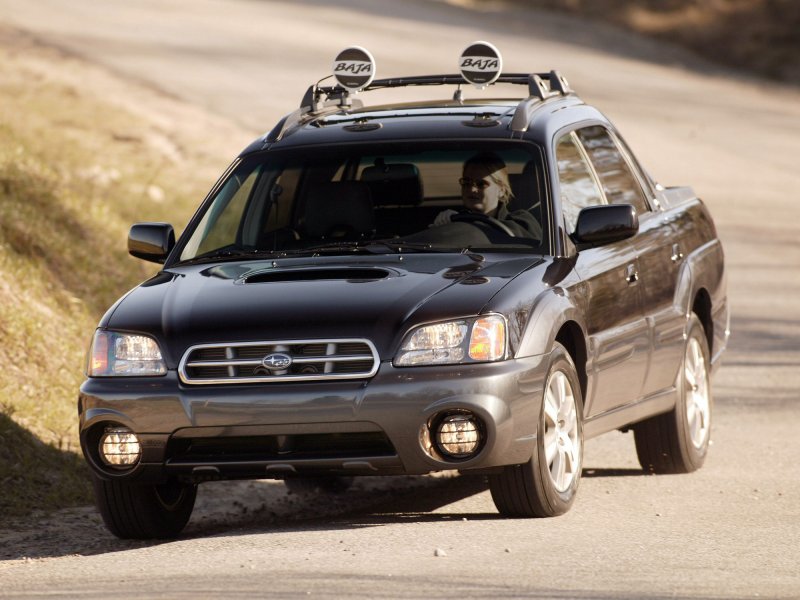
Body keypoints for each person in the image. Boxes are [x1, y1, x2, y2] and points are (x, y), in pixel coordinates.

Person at [432, 152, 540, 238]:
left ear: (501, 190)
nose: (472, 189)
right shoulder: (453, 220)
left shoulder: (522, 223)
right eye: (466, 182)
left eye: (481, 184)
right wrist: (444, 226)